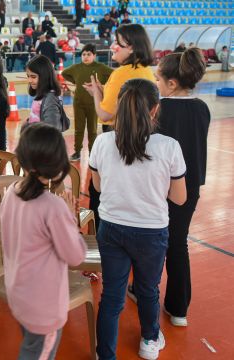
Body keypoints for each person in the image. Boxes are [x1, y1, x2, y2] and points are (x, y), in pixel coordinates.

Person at [90, 79, 187, 360]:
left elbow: (97, 187)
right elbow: (179, 198)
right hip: (151, 232)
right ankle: (149, 341)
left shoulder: (103, 142)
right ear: (155, 110)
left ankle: (105, 354)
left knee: (112, 296)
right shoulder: (169, 146)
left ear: (119, 107)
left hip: (111, 228)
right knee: (147, 290)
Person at [130, 48, 209, 328]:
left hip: (159, 184)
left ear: (171, 84)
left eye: (159, 80)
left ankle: (142, 291)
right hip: (190, 186)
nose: (157, 85)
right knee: (178, 244)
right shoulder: (202, 108)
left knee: (148, 241)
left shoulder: (159, 108)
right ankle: (178, 310)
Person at [1, 122, 87, 360]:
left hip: (19, 294)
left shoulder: (11, 192)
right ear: (58, 167)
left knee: (31, 345)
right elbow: (76, 256)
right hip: (43, 308)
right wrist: (70, 218)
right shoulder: (54, 207)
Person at [83, 23, 156, 228]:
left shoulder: (121, 73)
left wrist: (97, 93)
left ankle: (98, 237)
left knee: (98, 191)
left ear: (131, 47)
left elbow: (105, 113)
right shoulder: (145, 71)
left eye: (118, 43)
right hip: (141, 139)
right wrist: (104, 90)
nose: (114, 46)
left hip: (117, 139)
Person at [62, 43, 113, 160]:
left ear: (94, 55)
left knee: (92, 130)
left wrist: (103, 85)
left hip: (94, 104)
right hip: (79, 103)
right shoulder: (76, 67)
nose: (85, 57)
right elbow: (64, 73)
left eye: (88, 54)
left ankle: (92, 153)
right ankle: (77, 152)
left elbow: (113, 75)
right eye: (83, 54)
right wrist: (75, 81)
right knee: (78, 129)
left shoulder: (100, 67)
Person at [24, 55, 66, 131]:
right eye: (28, 76)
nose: (29, 80)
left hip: (43, 142)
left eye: (33, 77)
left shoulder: (50, 99)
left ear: (44, 76)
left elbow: (52, 130)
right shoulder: (43, 94)